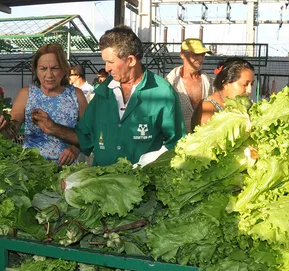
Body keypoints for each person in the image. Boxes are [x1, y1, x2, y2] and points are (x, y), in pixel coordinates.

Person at [30, 25, 185, 167]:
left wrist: (147, 165)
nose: (106, 68)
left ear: (130, 60)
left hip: (143, 186)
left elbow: (176, 142)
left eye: (110, 62)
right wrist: (53, 128)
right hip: (104, 186)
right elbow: (85, 137)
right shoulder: (103, 92)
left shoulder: (162, 93)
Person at [0, 43, 88, 168]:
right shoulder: (26, 94)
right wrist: (0, 128)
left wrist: (74, 149)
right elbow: (11, 133)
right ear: (36, 70)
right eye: (43, 68)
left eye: (55, 68)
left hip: (67, 170)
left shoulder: (76, 95)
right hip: (32, 168)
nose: (49, 74)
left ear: (64, 70)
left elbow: (88, 134)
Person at [191, 57, 255, 131]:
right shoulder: (208, 107)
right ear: (226, 83)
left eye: (252, 84)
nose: (249, 90)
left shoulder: (243, 106)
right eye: (245, 84)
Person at [165, 38, 213, 133]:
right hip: (178, 141)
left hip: (204, 140)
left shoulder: (210, 83)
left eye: (202, 55)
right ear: (182, 55)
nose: (200, 59)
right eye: (195, 55)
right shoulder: (169, 82)